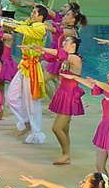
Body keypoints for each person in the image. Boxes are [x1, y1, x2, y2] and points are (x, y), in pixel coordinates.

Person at [64, 66, 109, 188]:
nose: (108, 74)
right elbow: (93, 85)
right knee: (99, 165)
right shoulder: (107, 90)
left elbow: (106, 88)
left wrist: (96, 82)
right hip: (104, 128)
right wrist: (75, 77)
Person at [29, 36, 83, 165]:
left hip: (69, 95)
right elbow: (52, 57)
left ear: (73, 46)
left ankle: (66, 154)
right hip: (63, 93)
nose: (63, 43)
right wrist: (37, 50)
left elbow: (59, 53)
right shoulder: (65, 58)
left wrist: (42, 48)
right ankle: (66, 154)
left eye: (67, 41)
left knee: (57, 128)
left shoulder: (75, 58)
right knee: (64, 128)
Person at [0, 5, 49, 144]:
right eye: (32, 12)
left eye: (34, 12)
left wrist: (3, 22)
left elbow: (24, 29)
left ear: (41, 17)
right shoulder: (31, 24)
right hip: (24, 65)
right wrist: (3, 20)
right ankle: (26, 121)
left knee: (32, 102)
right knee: (11, 97)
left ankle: (36, 132)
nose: (32, 14)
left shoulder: (40, 27)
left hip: (33, 67)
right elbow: (20, 24)